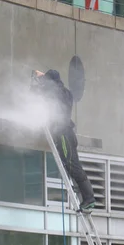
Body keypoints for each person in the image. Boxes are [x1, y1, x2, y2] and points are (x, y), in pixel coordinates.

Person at [31, 69, 96, 212]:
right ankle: (87, 198)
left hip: (63, 135)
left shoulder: (54, 92)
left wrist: (39, 79)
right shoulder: (66, 93)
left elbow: (42, 92)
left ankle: (89, 198)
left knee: (72, 165)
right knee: (73, 165)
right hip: (69, 134)